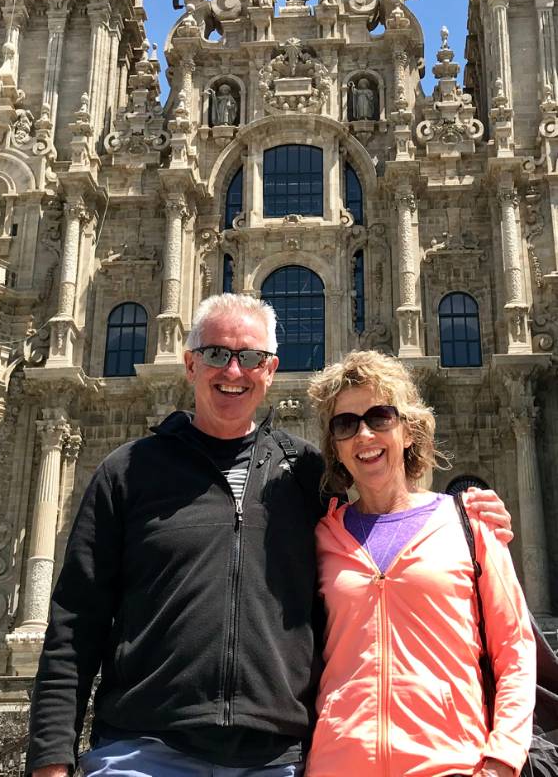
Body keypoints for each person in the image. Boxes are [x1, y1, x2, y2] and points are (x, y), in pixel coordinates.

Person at [26, 296, 513, 777]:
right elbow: (74, 622)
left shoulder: (306, 475)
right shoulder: (127, 473)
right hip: (144, 750)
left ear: (271, 369)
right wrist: (51, 758)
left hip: (273, 759)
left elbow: (385, 522)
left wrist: (460, 511)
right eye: (217, 354)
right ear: (190, 363)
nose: (233, 372)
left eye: (251, 358)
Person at [305, 349, 536, 777]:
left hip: (449, 763)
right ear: (334, 447)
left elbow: (516, 650)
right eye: (346, 424)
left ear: (408, 431)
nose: (364, 435)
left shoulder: (470, 523)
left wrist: (503, 760)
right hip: (337, 764)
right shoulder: (321, 539)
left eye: (380, 417)